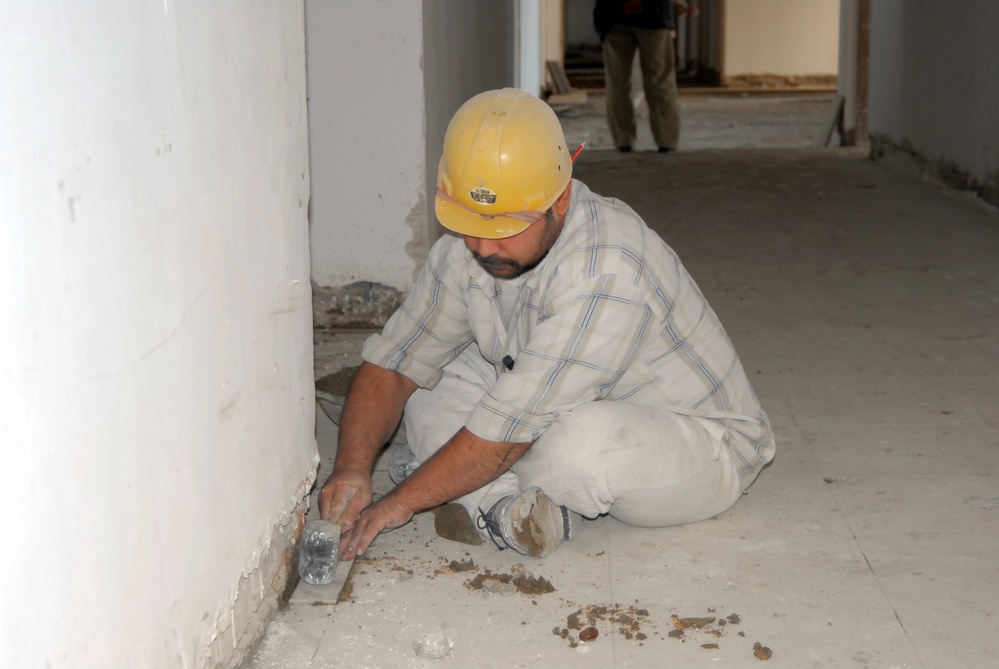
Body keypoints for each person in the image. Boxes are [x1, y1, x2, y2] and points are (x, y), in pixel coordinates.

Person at [319, 88, 774, 561]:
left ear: (560, 200)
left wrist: (402, 501)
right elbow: (394, 365)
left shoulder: (607, 266)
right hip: (546, 399)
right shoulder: (469, 249)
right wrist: (352, 467)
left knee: (579, 450)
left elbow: (509, 429)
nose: (483, 246)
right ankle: (504, 509)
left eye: (505, 226)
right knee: (428, 385)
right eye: (470, 222)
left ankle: (451, 478)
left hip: (697, 445)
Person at [594, 0, 699, 153]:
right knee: (656, 81)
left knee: (622, 82)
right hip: (636, 16)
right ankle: (664, 140)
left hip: (623, 15)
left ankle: (626, 140)